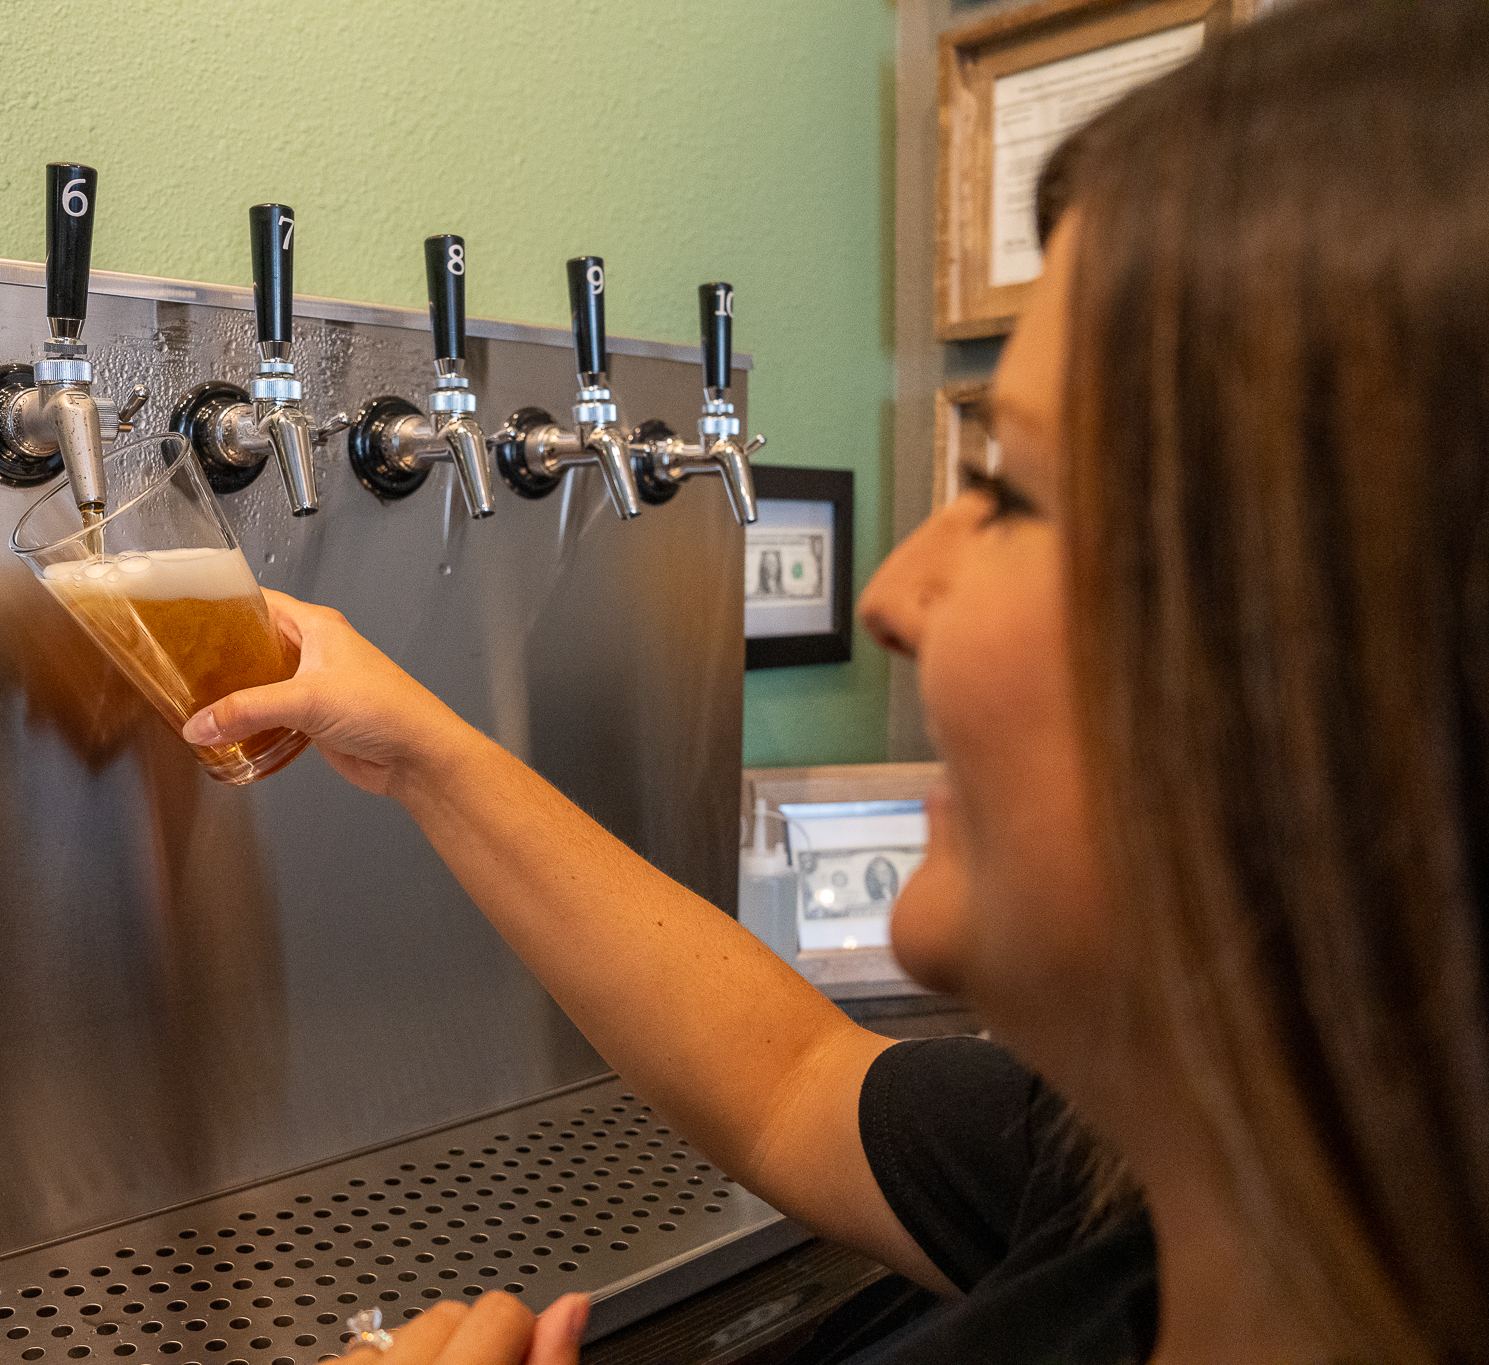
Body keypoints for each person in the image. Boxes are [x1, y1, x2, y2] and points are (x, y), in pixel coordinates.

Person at [189, 1, 1489, 1358]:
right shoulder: (1170, 1179)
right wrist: (426, 750)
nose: (895, 591)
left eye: (1011, 494)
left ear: (1358, 682)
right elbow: (790, 1075)